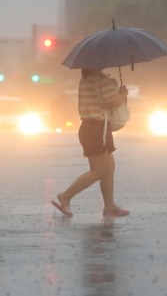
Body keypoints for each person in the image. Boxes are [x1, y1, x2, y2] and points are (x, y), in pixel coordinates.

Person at [51, 69, 130, 217]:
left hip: (91, 127)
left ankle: (109, 206)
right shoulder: (103, 81)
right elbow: (112, 103)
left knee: (109, 168)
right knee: (99, 170)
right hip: (96, 128)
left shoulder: (85, 80)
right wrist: (122, 94)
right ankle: (66, 195)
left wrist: (118, 93)